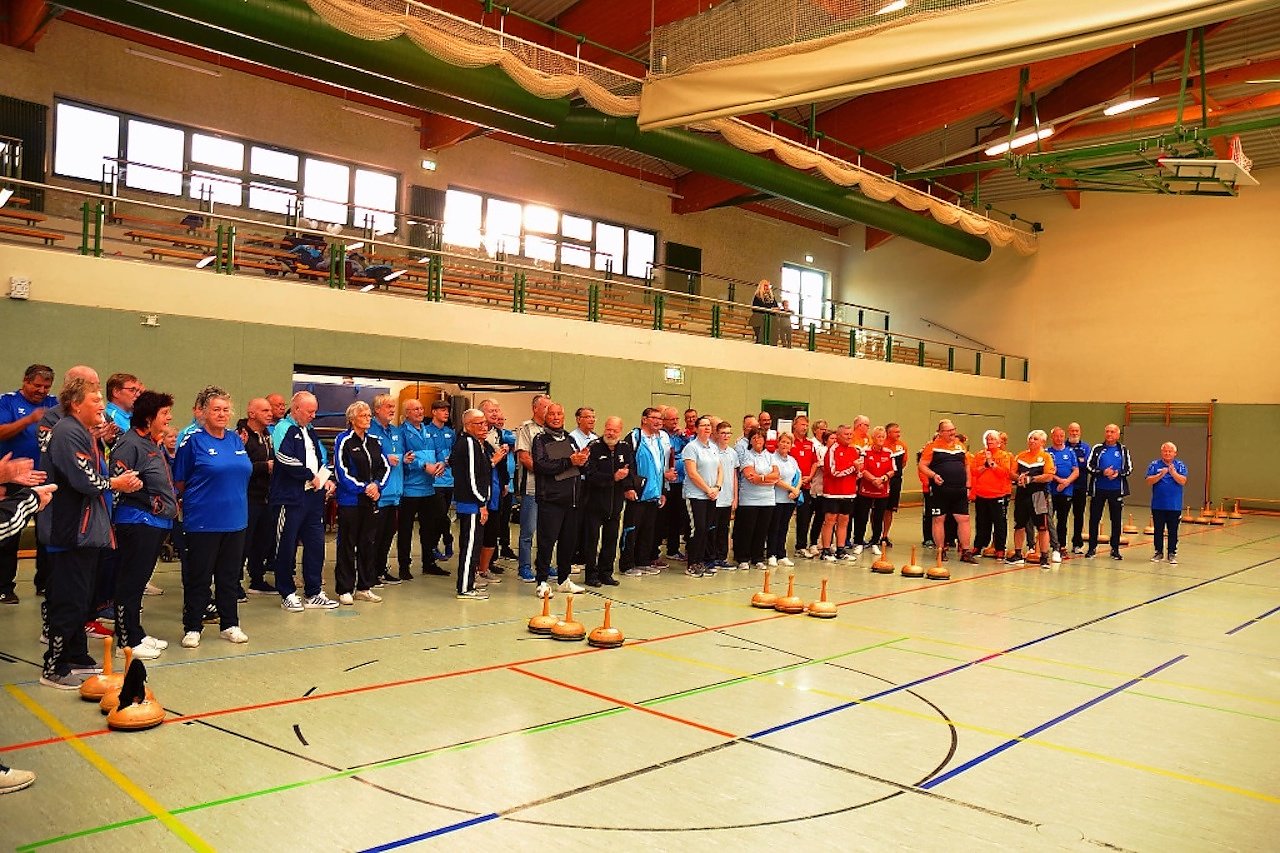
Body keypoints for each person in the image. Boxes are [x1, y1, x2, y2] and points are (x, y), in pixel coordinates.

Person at [38, 377, 141, 688]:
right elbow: (85, 480)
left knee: (82, 597)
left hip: (86, 531)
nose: (102, 407)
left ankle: (76, 655)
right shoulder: (68, 432)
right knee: (69, 599)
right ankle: (54, 667)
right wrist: (117, 484)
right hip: (70, 531)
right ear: (75, 404)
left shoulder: (83, 432)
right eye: (95, 400)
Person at [174, 390, 252, 647]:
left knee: (229, 576)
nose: (221, 414)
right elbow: (180, 481)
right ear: (204, 412)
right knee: (199, 576)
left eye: (225, 410)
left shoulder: (235, 440)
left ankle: (230, 624)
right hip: (203, 521)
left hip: (236, 520)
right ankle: (193, 626)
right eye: (216, 409)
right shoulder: (193, 441)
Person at [109, 391, 178, 660]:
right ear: (149, 418)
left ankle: (135, 632)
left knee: (139, 582)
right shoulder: (130, 444)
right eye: (164, 413)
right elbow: (119, 483)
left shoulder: (150, 442)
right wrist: (151, 502)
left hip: (154, 522)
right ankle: (126, 641)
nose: (169, 418)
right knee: (130, 582)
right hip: (137, 522)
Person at [270, 391, 339, 612]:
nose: (313, 415)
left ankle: (314, 592)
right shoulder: (284, 428)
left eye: (315, 411)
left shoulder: (310, 430)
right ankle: (287, 593)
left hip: (313, 498)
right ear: (296, 409)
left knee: (316, 544)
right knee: (286, 545)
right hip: (290, 498)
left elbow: (321, 457)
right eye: (310, 411)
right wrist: (309, 476)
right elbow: (284, 457)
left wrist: (325, 478)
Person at [0, 363, 57, 605]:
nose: (42, 391)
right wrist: (28, 420)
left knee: (47, 534)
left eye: (46, 386)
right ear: (25, 381)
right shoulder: (7, 402)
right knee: (9, 534)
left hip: (44, 478)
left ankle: (44, 583)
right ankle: (3, 587)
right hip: (13, 478)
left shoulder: (54, 403)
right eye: (37, 385)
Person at [333, 401, 388, 605]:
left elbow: (384, 467)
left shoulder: (374, 441)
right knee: (347, 544)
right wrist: (364, 488)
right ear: (352, 419)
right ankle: (345, 588)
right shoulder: (344, 440)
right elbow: (341, 471)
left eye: (369, 415)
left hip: (371, 501)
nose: (368, 418)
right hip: (351, 501)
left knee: (367, 543)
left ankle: (364, 587)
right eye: (363, 415)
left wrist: (377, 486)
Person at [531, 402, 588, 598]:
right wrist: (569, 461)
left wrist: (582, 461)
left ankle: (564, 579)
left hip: (572, 500)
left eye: (559, 414)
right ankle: (542, 581)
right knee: (547, 542)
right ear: (546, 417)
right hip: (551, 500)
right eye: (552, 414)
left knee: (568, 542)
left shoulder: (570, 438)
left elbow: (577, 465)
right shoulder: (540, 439)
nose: (556, 417)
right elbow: (541, 466)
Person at [450, 408, 501, 600]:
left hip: (474, 502)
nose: (484, 427)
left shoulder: (477, 444)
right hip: (471, 504)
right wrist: (481, 502)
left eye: (485, 423)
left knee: (474, 545)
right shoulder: (469, 443)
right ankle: (464, 588)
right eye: (479, 423)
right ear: (468, 425)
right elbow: (472, 477)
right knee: (470, 547)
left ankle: (469, 583)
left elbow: (481, 470)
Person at [619, 408, 672, 577]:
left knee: (648, 530)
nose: (658, 421)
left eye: (660, 419)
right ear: (644, 419)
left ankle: (643, 561)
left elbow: (659, 468)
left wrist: (662, 491)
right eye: (654, 418)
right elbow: (626, 465)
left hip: (653, 494)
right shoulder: (634, 438)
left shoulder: (658, 441)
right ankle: (627, 564)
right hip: (637, 493)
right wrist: (628, 487)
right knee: (631, 529)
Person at [582, 415, 633, 587]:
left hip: (615, 504)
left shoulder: (625, 448)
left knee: (611, 540)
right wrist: (612, 477)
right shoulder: (594, 447)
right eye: (608, 429)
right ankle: (591, 574)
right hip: (595, 503)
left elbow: (629, 470)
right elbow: (589, 474)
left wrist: (629, 487)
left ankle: (606, 573)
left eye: (614, 430)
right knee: (591, 541)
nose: (610, 433)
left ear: (620, 431)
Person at [919, 419, 977, 563]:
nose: (952, 433)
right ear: (940, 432)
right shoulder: (932, 447)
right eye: (949, 430)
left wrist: (968, 484)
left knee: (964, 519)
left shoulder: (960, 446)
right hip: (940, 490)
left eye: (953, 429)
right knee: (939, 519)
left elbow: (966, 466)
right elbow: (922, 465)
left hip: (959, 490)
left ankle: (966, 551)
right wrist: (933, 475)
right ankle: (941, 550)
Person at [397, 399, 442, 580]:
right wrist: (423, 466)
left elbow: (438, 452)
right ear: (406, 413)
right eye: (415, 409)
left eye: (421, 408)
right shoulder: (401, 433)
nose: (420, 411)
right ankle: (404, 566)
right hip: (410, 489)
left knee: (430, 528)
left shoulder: (428, 430)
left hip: (428, 488)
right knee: (406, 530)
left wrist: (440, 464)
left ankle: (429, 563)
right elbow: (404, 458)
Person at [367, 394, 404, 587]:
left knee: (388, 535)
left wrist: (405, 459)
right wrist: (385, 459)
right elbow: (367, 458)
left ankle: (381, 568)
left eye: (393, 406)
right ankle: (369, 573)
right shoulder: (369, 430)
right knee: (375, 536)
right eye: (388, 406)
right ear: (377, 409)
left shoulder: (395, 431)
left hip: (395, 492)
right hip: (379, 493)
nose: (392, 410)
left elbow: (400, 455)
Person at [241, 398, 276, 595]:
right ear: (252, 413)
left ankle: (257, 579)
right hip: (248, 496)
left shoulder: (268, 435)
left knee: (263, 541)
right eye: (265, 411)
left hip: (266, 496)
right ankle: (235, 583)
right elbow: (239, 466)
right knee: (243, 543)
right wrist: (265, 466)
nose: (270, 414)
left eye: (270, 410)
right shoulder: (242, 436)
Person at [1007, 430, 1057, 569]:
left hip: (1039, 495)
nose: (1032, 441)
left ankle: (1044, 557)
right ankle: (1018, 555)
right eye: (1030, 438)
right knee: (1019, 525)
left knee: (1042, 527)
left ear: (1042, 442)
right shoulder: (1021, 456)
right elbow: (1011, 473)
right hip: (1022, 495)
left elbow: (1049, 476)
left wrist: (1032, 479)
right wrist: (1019, 478)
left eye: (1035, 439)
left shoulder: (1046, 457)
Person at [681, 415, 721, 577]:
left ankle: (701, 561)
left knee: (706, 529)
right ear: (696, 429)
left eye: (709, 425)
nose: (707, 428)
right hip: (696, 495)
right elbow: (692, 473)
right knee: (697, 528)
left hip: (711, 495)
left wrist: (717, 487)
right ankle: (692, 564)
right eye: (703, 425)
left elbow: (720, 469)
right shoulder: (691, 448)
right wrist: (707, 489)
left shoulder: (713, 447)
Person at [514, 394, 549, 582]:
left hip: (550, 488)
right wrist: (546, 470)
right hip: (532, 487)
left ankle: (544, 564)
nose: (549, 412)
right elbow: (524, 457)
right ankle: (524, 567)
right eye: (545, 407)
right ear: (535, 408)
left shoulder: (553, 430)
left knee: (547, 530)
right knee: (528, 530)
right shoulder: (526, 428)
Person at [734, 428, 779, 570]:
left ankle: (757, 558)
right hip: (749, 500)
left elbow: (776, 476)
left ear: (764, 440)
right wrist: (767, 479)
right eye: (754, 438)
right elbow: (750, 477)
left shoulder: (770, 456)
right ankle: (743, 558)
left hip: (768, 499)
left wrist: (762, 478)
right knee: (747, 530)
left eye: (760, 437)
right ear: (750, 441)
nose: (757, 440)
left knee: (762, 530)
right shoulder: (747, 456)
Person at [1086, 424, 1132, 561]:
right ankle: (1092, 548)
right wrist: (1102, 472)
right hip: (1098, 490)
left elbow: (1129, 469)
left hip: (1116, 490)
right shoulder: (1097, 448)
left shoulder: (1123, 450)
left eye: (1112, 432)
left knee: (1116, 520)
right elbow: (1089, 466)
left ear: (1118, 434)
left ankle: (1115, 549)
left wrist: (1118, 473)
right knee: (1094, 519)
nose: (1109, 434)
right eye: (1107, 431)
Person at [970, 429, 1013, 560]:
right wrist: (985, 465)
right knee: (981, 522)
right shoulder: (979, 455)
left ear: (999, 442)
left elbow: (1004, 473)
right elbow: (974, 471)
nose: (990, 441)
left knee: (999, 523)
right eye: (988, 439)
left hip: (998, 494)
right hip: (982, 494)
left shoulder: (1004, 456)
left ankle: (1000, 548)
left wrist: (992, 463)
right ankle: (979, 546)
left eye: (993, 439)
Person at [423, 399, 457, 564]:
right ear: (434, 412)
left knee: (442, 515)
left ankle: (437, 544)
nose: (446, 413)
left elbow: (455, 454)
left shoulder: (450, 433)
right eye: (442, 410)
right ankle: (445, 540)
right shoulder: (426, 431)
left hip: (449, 480)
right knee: (439, 515)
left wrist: (450, 461)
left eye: (447, 410)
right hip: (435, 482)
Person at [819, 425, 858, 562]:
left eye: (851, 434)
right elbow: (833, 472)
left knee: (844, 520)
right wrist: (853, 468)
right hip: (833, 492)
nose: (849, 436)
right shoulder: (832, 450)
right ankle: (825, 550)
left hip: (849, 492)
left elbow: (858, 472)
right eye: (846, 434)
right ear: (839, 436)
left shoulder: (854, 450)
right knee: (830, 520)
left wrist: (858, 470)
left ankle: (840, 549)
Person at [856, 427, 895, 556]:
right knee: (862, 516)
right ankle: (859, 542)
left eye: (883, 437)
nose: (881, 439)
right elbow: (862, 469)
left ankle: (874, 542)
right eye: (878, 437)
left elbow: (892, 470)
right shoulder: (865, 452)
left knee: (878, 517)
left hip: (882, 490)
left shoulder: (889, 453)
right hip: (866, 489)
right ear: (873, 438)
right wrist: (873, 480)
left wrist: (883, 479)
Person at [1146, 442, 1188, 565]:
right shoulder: (1154, 465)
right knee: (1158, 530)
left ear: (1175, 453)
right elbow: (1148, 481)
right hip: (1158, 504)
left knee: (1173, 530)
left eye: (1170, 451)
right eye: (1165, 451)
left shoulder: (1180, 465)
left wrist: (1173, 473)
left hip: (1174, 505)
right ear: (1161, 452)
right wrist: (1160, 475)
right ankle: (1158, 552)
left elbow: (1183, 481)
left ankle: (1172, 553)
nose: (1167, 453)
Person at [660, 406, 690, 562]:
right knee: (661, 517)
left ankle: (673, 549)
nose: (675, 422)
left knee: (677, 517)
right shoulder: (661, 436)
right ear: (664, 420)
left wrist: (684, 436)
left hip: (680, 481)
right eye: (672, 419)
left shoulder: (681, 436)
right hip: (665, 482)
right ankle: (654, 551)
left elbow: (691, 447)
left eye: (677, 419)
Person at [767, 431, 802, 567]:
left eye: (788, 442)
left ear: (791, 445)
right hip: (776, 498)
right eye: (783, 442)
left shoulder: (792, 460)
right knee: (774, 527)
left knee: (784, 527)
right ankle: (771, 554)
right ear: (778, 443)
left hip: (789, 500)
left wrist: (796, 490)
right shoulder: (772, 458)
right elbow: (775, 479)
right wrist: (791, 488)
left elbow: (799, 476)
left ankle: (781, 554)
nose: (785, 445)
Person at [1046, 426, 1079, 564]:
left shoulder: (1070, 452)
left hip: (1066, 491)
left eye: (1061, 436)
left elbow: (1076, 471)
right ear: (1052, 437)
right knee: (1048, 520)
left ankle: (1061, 546)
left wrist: (1066, 483)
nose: (1059, 438)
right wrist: (1059, 480)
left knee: (1063, 519)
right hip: (1050, 490)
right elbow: (1046, 471)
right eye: (1056, 436)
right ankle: (1045, 546)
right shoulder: (1047, 452)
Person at [710, 420, 738, 568]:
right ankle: (711, 557)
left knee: (724, 529)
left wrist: (735, 497)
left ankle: (722, 557)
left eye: (728, 433)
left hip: (727, 498)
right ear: (717, 434)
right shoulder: (712, 451)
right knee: (713, 529)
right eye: (723, 433)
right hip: (715, 497)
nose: (726, 436)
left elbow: (734, 476)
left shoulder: (732, 453)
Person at [1064, 423, 1092, 555]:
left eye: (1076, 431)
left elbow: (1086, 464)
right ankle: (1060, 544)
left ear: (1080, 432)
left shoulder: (1086, 447)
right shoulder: (1063, 446)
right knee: (1062, 517)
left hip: (1080, 487)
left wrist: (1074, 464)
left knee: (1079, 516)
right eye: (1072, 431)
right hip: (1065, 487)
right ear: (1068, 432)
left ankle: (1077, 544)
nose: (1074, 433)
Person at [882, 422, 908, 549]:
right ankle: (875, 535)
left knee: (890, 509)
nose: (899, 434)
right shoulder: (882, 444)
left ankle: (884, 536)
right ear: (888, 433)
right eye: (896, 432)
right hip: (882, 480)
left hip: (896, 480)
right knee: (878, 509)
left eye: (899, 431)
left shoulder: (902, 446)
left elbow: (903, 463)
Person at [749, 278, 780, 345]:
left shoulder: (772, 297)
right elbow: (755, 308)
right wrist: (770, 309)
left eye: (768, 286)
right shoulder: (758, 296)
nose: (767, 287)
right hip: (760, 320)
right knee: (760, 338)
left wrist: (776, 309)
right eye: (765, 286)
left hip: (771, 320)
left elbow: (776, 306)